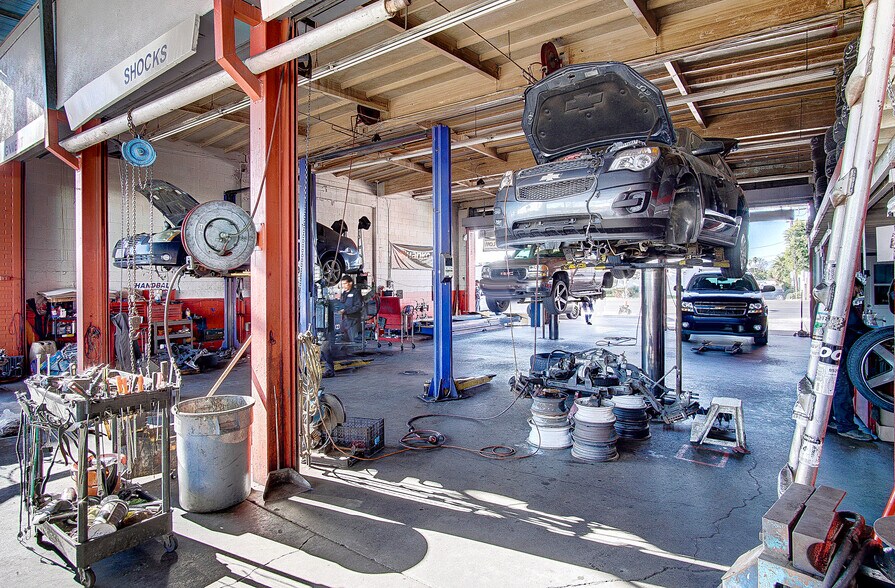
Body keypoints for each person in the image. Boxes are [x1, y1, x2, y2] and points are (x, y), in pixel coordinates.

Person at [830, 276, 873, 441]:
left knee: (836, 387)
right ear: (852, 286)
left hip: (836, 349)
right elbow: (856, 327)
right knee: (843, 388)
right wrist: (874, 334)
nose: (858, 293)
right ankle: (846, 426)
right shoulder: (843, 304)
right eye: (857, 289)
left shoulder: (836, 301)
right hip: (840, 350)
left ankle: (832, 419)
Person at [339, 275, 363, 343]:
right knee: (345, 339)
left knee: (353, 340)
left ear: (350, 283)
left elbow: (358, 306)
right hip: (345, 319)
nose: (343, 286)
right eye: (342, 284)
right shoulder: (344, 293)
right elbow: (342, 303)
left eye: (345, 284)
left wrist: (346, 311)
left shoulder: (356, 292)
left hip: (354, 320)